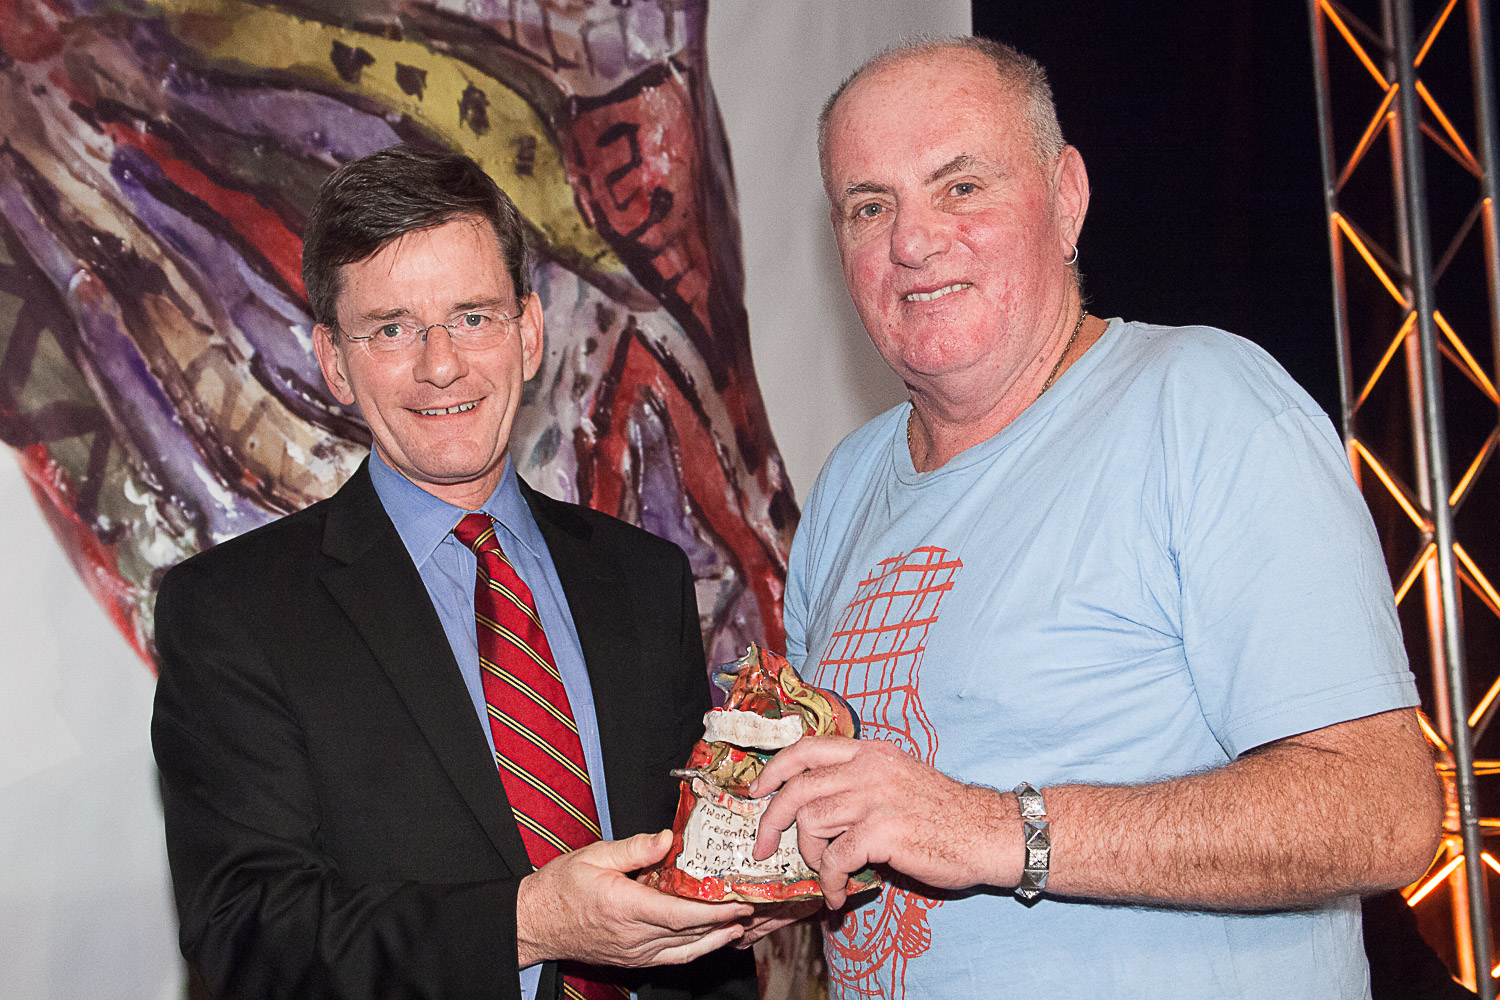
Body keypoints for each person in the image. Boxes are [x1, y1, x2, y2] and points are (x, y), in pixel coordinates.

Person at [748, 37, 1445, 998]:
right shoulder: (847, 484)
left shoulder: (1203, 402)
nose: (912, 241)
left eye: (960, 187)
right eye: (871, 207)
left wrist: (1000, 832)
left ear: (1066, 197)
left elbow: (1382, 809)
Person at [151, 145, 757, 1000]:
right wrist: (529, 922)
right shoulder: (233, 613)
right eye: (393, 328)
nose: (441, 365)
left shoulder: (643, 580)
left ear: (530, 331)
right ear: (334, 360)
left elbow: (697, 908)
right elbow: (248, 935)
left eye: (473, 316)